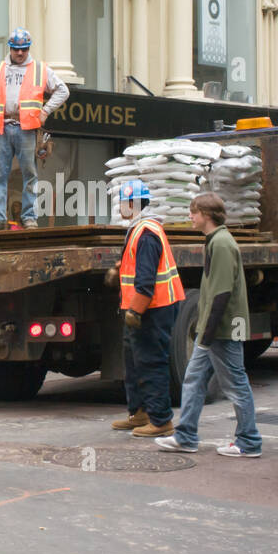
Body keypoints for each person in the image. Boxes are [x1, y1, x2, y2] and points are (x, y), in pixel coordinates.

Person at [156, 194, 261, 456]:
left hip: (222, 329)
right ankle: (186, 436)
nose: (190, 217)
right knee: (193, 379)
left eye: (194, 212)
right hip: (214, 329)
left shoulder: (222, 244)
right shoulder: (215, 241)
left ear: (207, 214)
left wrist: (207, 335)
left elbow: (222, 294)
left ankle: (249, 441)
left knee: (235, 383)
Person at [0, 28, 70, 230]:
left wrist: (45, 112)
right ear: (10, 48)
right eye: (16, 49)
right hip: (2, 127)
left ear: (28, 48)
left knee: (29, 174)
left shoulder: (40, 70)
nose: (20, 53)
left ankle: (28, 216)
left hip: (26, 129)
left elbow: (63, 90)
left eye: (24, 49)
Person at [111, 179, 183, 438]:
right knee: (133, 362)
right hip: (144, 308)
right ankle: (139, 412)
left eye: (121, 202)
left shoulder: (147, 232)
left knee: (151, 361)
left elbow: (145, 281)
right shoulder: (138, 228)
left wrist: (135, 312)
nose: (119, 207)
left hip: (153, 309)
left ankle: (161, 420)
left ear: (132, 204)